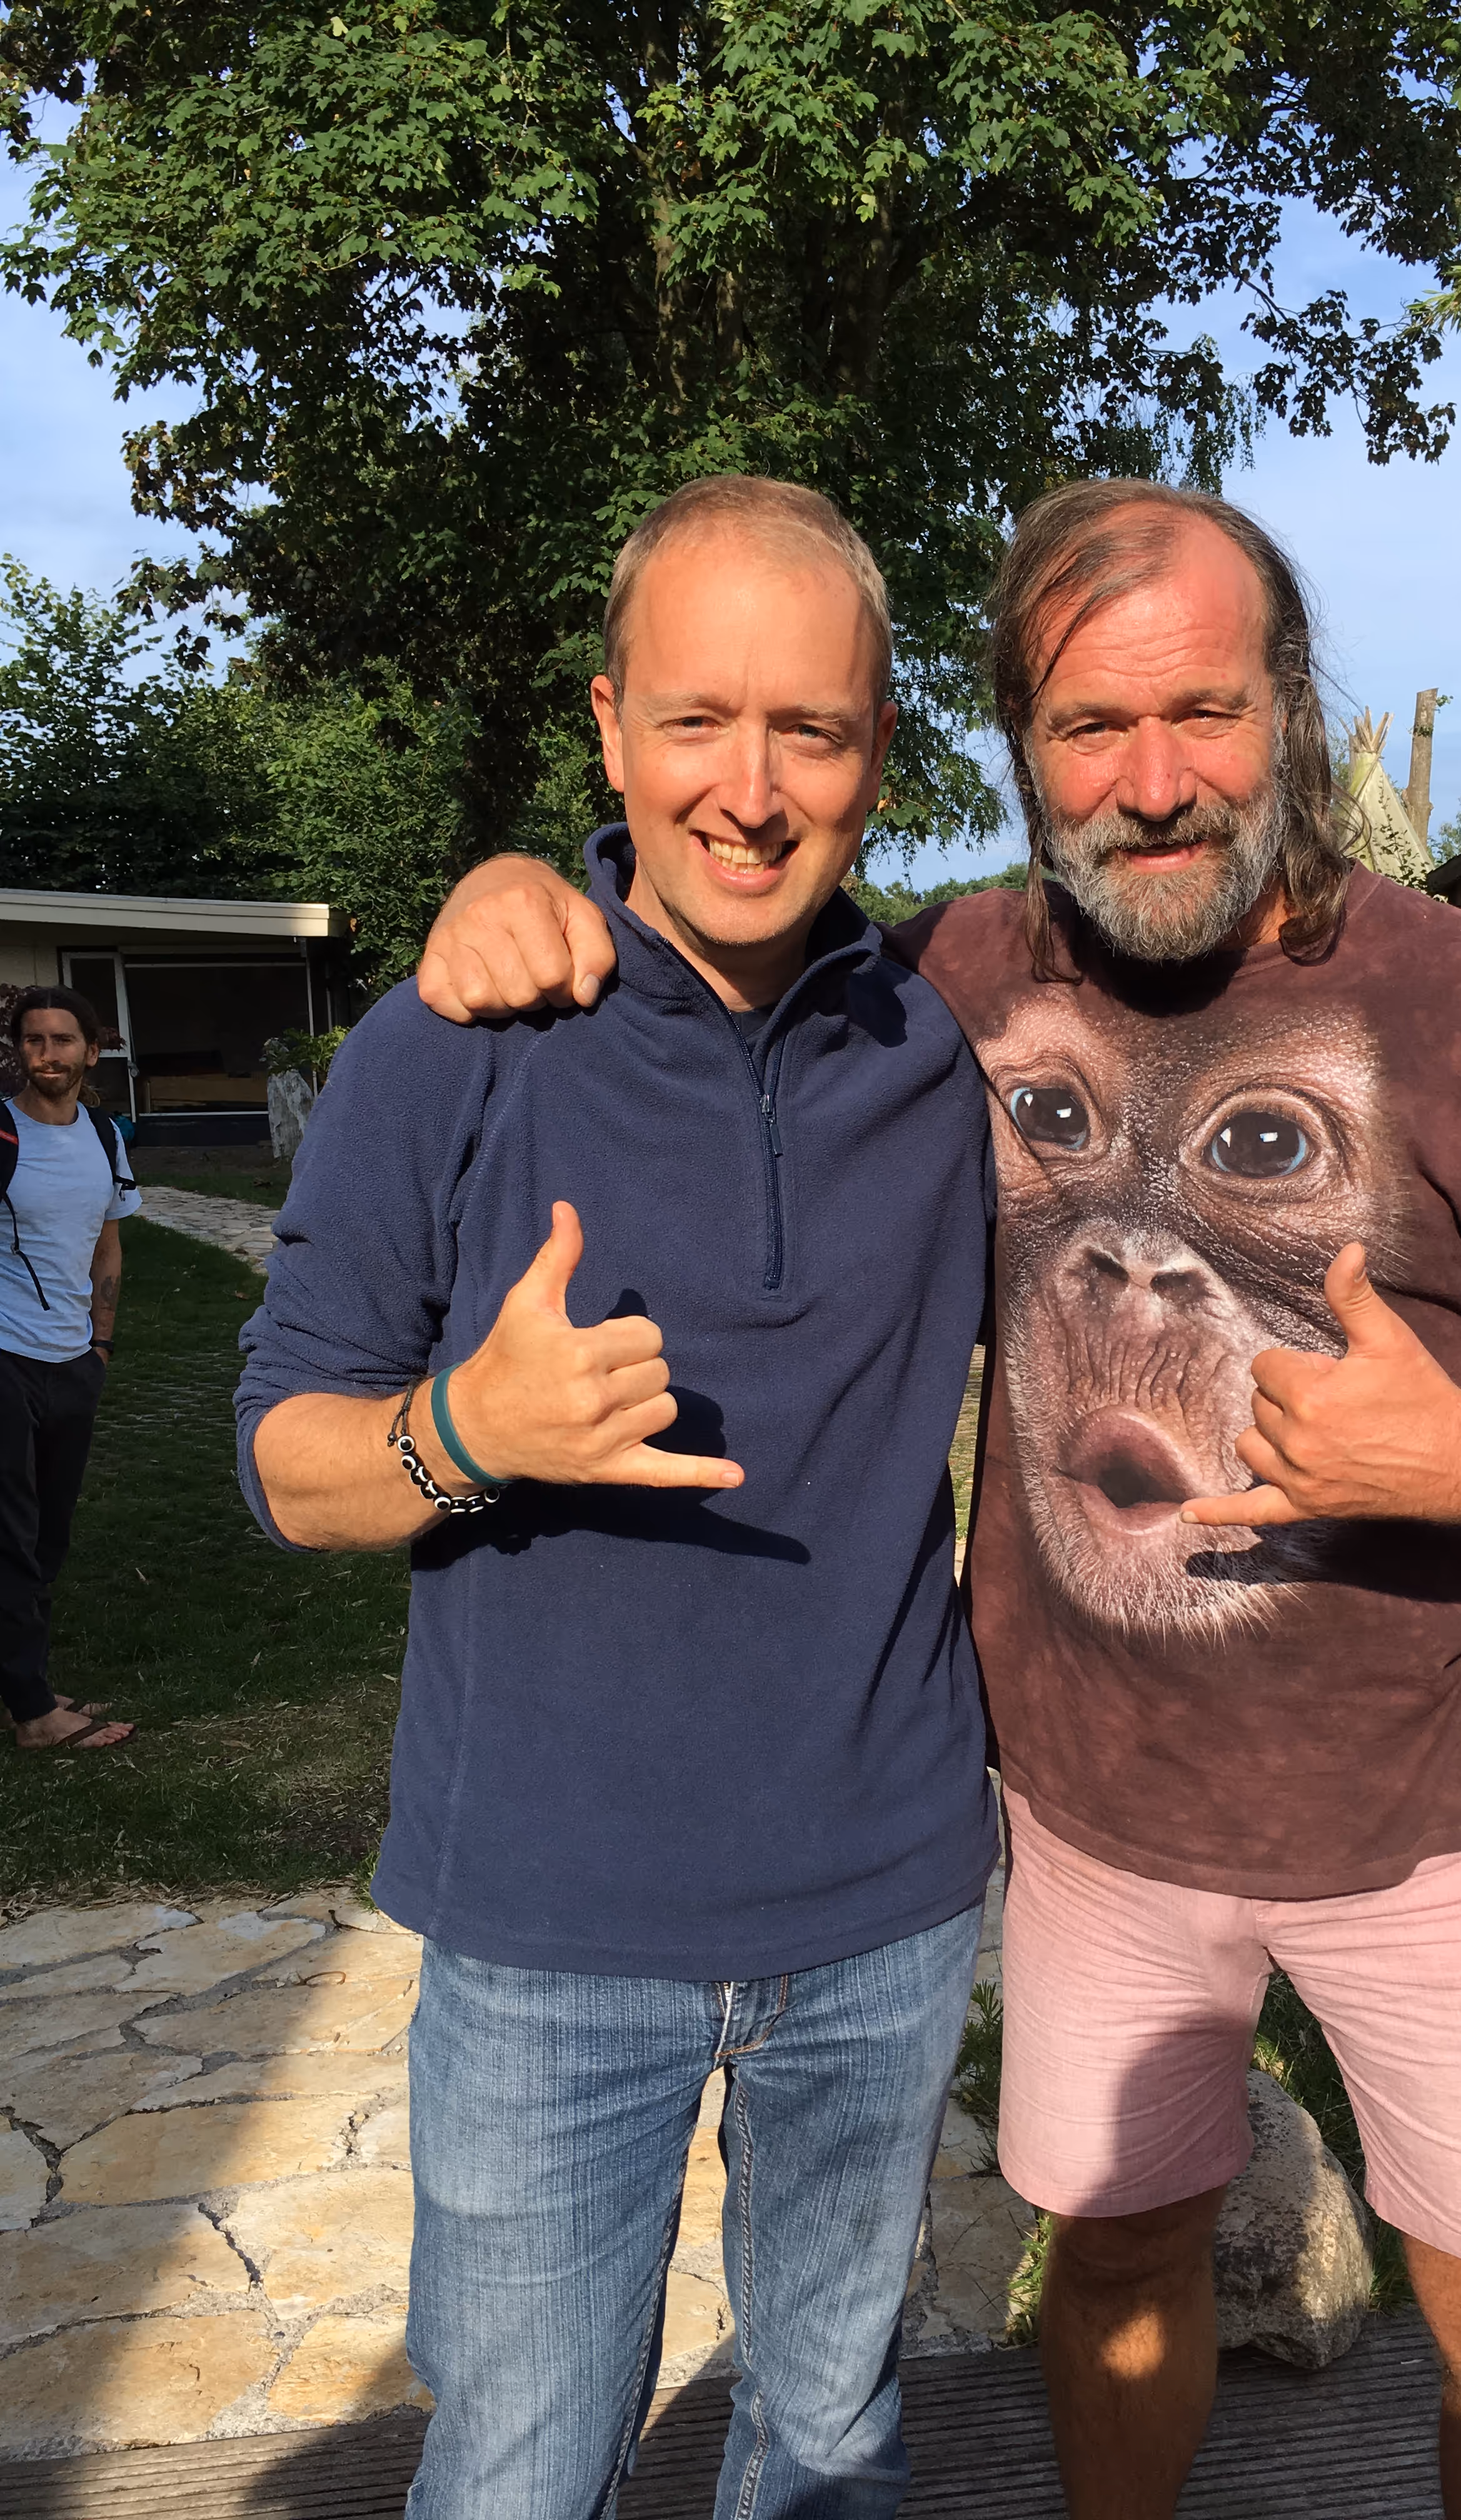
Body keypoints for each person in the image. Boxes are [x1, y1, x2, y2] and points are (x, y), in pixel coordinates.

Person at [419, 477, 1461, 2520]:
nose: (1150, 782)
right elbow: (717, 930)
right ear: (1019, 747)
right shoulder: (950, 976)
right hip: (1090, 1818)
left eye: (1199, 711)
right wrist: (529, 883)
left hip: (1435, 1814)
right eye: (1085, 728)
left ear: (1286, 709)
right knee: (1119, 2268)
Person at [234, 476, 998, 2520]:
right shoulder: (452, 1044)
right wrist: (466, 1434)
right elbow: (286, 1467)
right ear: (606, 726)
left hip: (887, 1910)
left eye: (809, 732)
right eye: (694, 721)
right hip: (550, 1932)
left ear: (879, 751)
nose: (748, 789)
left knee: (829, 2444)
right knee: (515, 2473)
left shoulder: (956, 1049)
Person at [1, 987, 139, 1754]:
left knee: (48, 1535)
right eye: (32, 1040)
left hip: (72, 1359)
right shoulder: (2, 1129)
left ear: (93, 1049)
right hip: (5, 1357)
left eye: (61, 1040)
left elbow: (107, 1245)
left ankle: (27, 1677)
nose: (45, 1055)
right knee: (10, 1534)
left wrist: (102, 1344)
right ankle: (33, 1713)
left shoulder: (102, 1134)